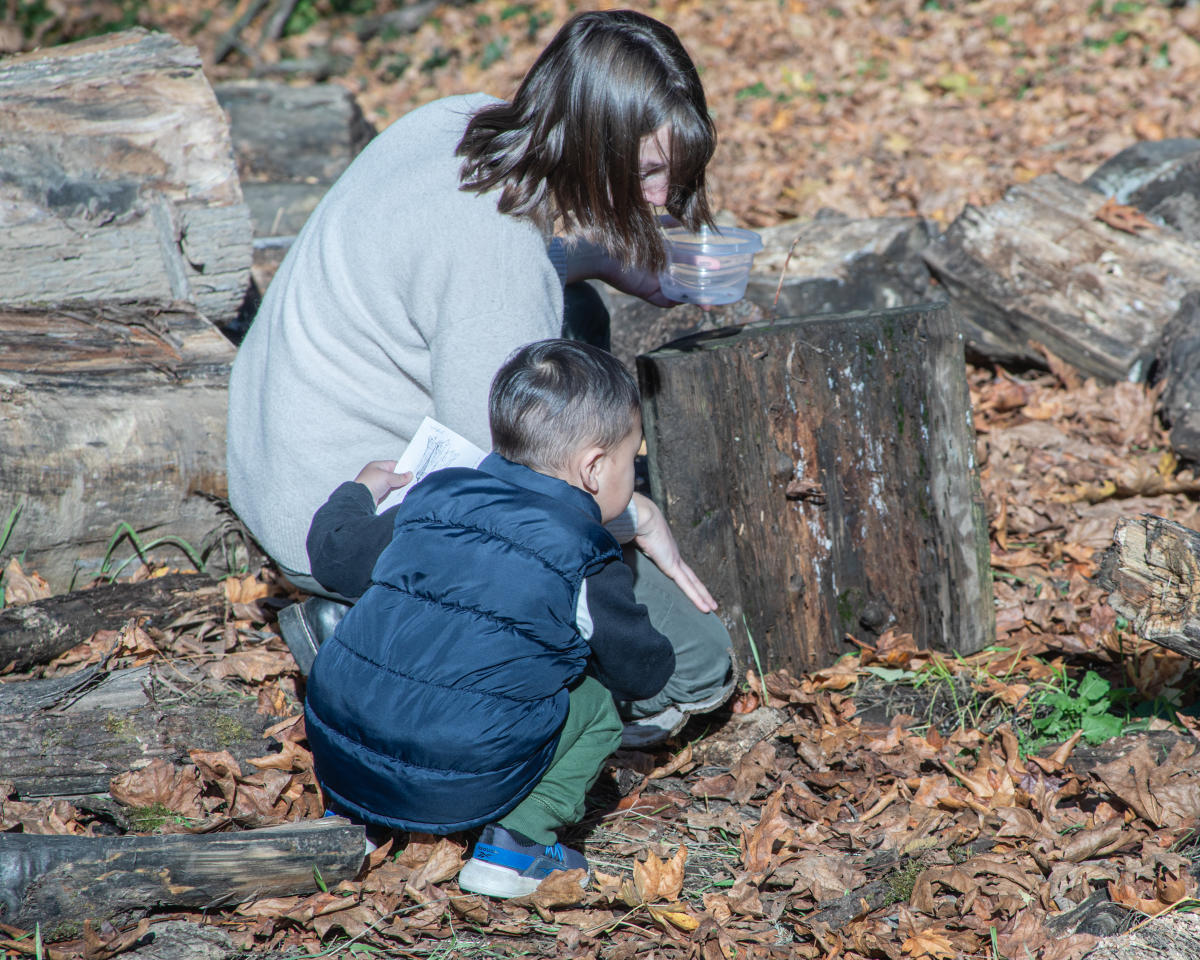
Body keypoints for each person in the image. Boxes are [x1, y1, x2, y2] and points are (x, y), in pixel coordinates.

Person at [226, 9, 735, 744]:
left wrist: (592, 260)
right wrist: (633, 517)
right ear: (593, 142)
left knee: (577, 312)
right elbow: (505, 498)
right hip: (338, 517)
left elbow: (467, 292)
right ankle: (361, 624)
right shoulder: (498, 257)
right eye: (650, 171)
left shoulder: (463, 122)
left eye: (672, 173)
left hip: (284, 443)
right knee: (697, 666)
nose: (660, 199)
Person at [305, 340, 675, 898]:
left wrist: (361, 490)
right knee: (597, 705)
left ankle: (363, 824)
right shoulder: (584, 552)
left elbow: (334, 555)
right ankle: (515, 850)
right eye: (631, 457)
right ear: (595, 467)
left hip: (342, 752)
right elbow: (641, 672)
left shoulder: (434, 497)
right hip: (459, 773)